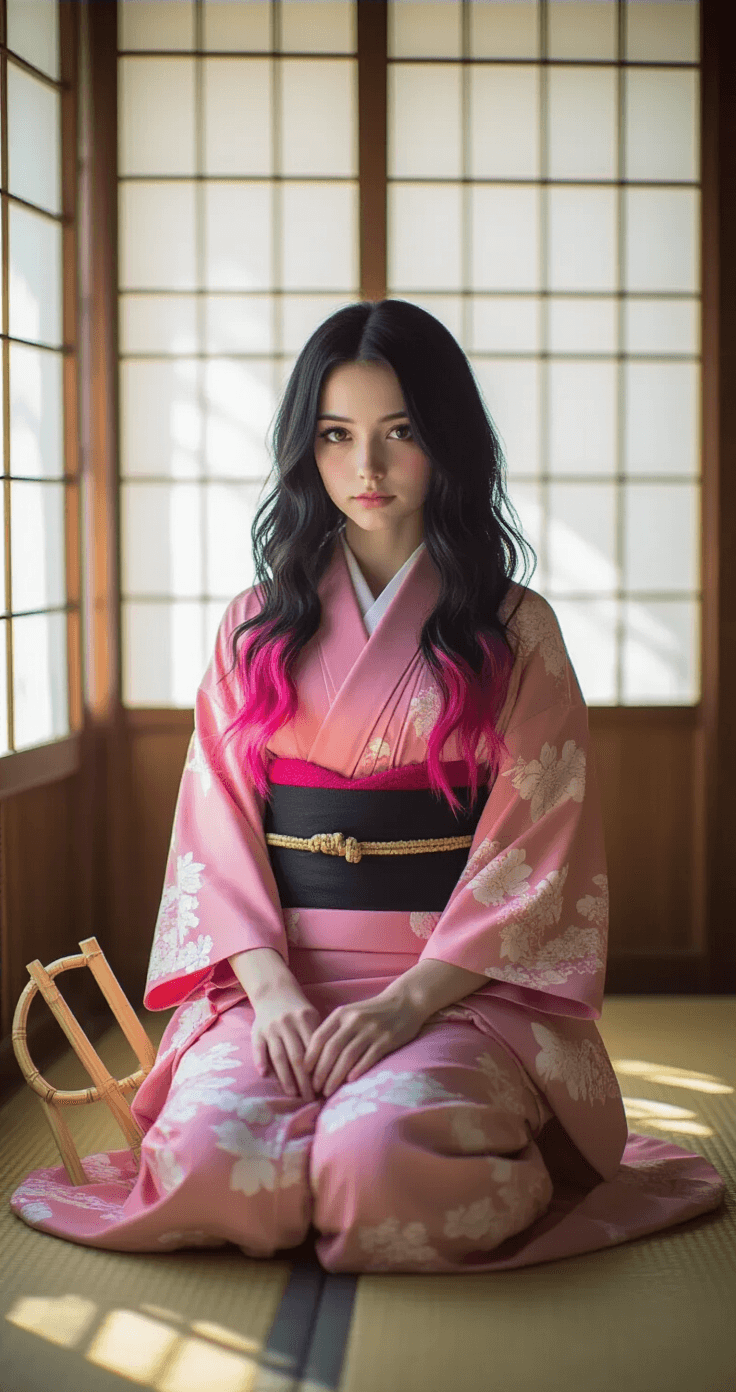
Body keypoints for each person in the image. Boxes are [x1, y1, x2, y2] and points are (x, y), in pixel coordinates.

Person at [11, 300, 723, 1269]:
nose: (368, 469)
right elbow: (213, 828)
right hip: (279, 978)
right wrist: (269, 994)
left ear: (446, 444)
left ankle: (392, 1160)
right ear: (306, 451)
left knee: (382, 1158)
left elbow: (534, 849)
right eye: (336, 436)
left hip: (459, 986)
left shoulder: (517, 631)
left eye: (400, 434)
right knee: (211, 1155)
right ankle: (307, 1154)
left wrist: (408, 1002)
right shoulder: (253, 626)